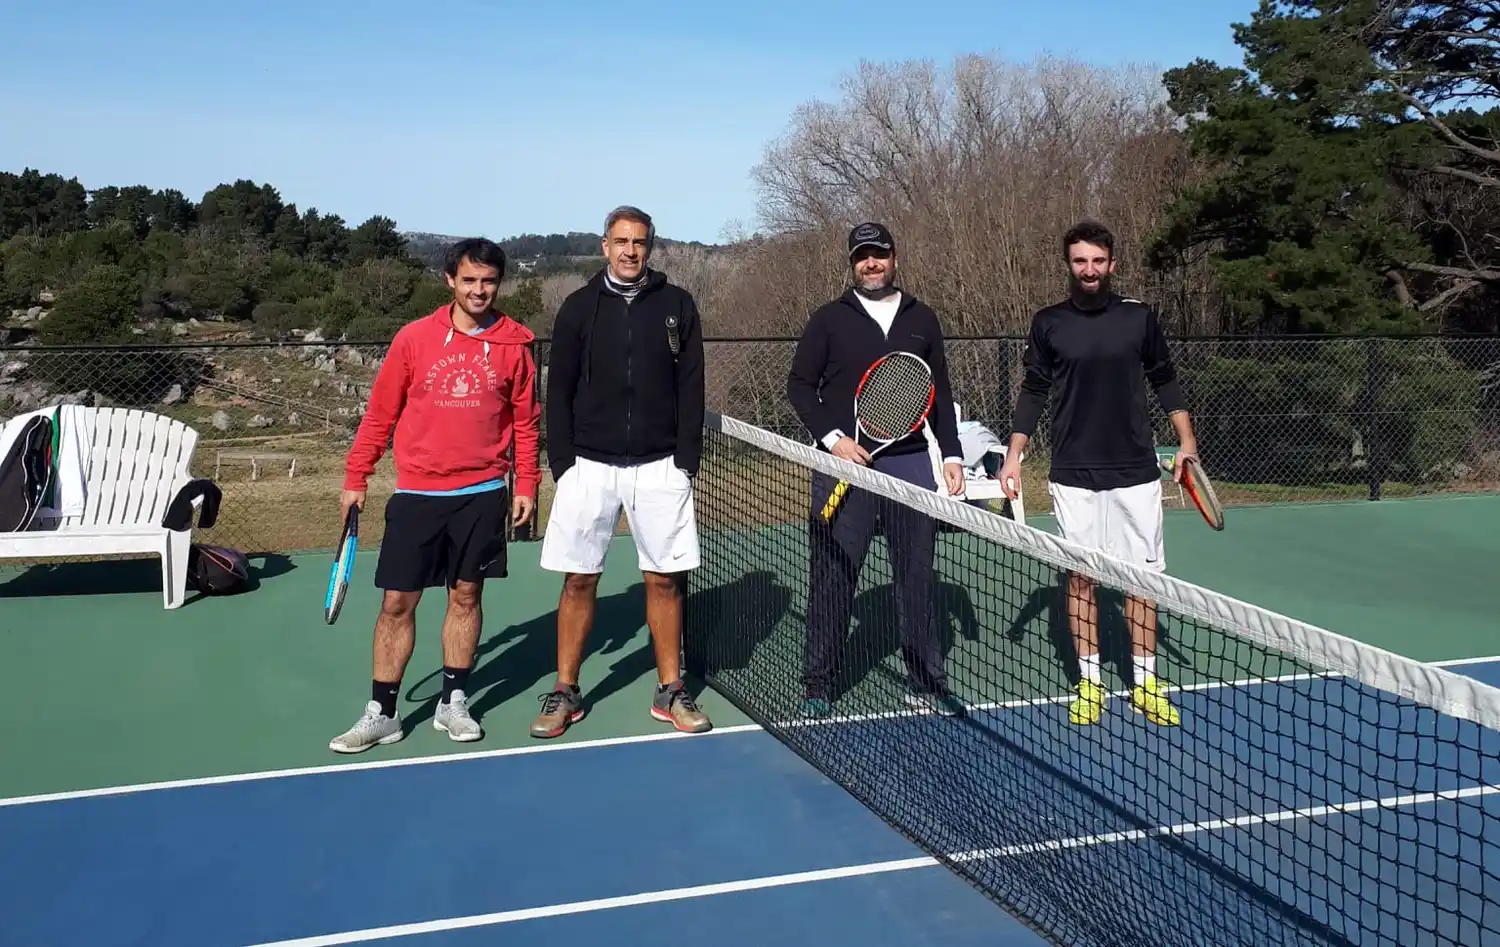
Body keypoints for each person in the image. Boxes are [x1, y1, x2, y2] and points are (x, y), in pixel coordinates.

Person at [328, 237, 541, 753]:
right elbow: (380, 414)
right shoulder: (413, 339)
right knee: (397, 603)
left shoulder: (515, 346)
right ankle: (383, 712)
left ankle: (453, 702)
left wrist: (527, 484)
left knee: (466, 597)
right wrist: (356, 476)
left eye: (488, 281)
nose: (479, 290)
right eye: (469, 280)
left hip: (483, 494)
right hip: (418, 493)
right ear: (450, 280)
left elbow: (526, 422)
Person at [995, 219, 1198, 728]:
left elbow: (1165, 379)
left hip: (1136, 472)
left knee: (1141, 582)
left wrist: (1188, 442)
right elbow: (1034, 389)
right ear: (1069, 264)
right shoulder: (1048, 323)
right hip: (1072, 473)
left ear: (1112, 264)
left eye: (1098, 261)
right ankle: (1090, 684)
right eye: (1080, 261)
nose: (1089, 269)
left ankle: (1146, 684)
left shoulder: (1139, 318)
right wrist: (1014, 454)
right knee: (1081, 578)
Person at [532, 205, 711, 738]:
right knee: (579, 579)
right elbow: (558, 390)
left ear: (649, 247)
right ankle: (566, 690)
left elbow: (692, 385)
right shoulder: (577, 308)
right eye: (621, 241)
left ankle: (671, 690)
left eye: (639, 242)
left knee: (664, 580)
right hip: (588, 466)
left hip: (660, 466)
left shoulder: (677, 305)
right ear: (605, 246)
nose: (631, 251)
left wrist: (685, 461)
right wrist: (563, 463)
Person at [786, 221, 968, 719]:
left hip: (910, 464)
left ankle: (925, 681)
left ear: (894, 257)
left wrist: (951, 454)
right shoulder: (828, 319)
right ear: (852, 263)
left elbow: (938, 391)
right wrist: (835, 440)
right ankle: (819, 683)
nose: (872, 263)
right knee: (833, 577)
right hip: (843, 466)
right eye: (863, 256)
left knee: (917, 579)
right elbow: (800, 386)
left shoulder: (922, 319)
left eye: (880, 254)